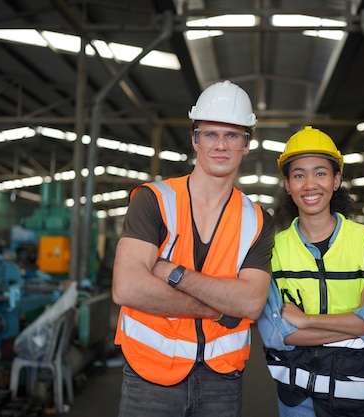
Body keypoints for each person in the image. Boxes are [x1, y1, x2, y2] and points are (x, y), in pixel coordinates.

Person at [112, 80, 275, 417]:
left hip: (222, 380)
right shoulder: (153, 200)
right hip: (150, 376)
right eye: (210, 133)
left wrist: (172, 272)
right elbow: (127, 287)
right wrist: (217, 310)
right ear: (194, 138)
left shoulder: (257, 220)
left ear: (247, 144)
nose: (221, 145)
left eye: (233, 135)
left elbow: (251, 302)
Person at [258, 126, 364, 417]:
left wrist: (307, 321)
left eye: (320, 173)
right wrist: (360, 323)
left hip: (361, 396)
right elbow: (276, 334)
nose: (310, 184)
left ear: (336, 180)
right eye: (299, 175)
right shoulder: (273, 249)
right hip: (298, 401)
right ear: (287, 184)